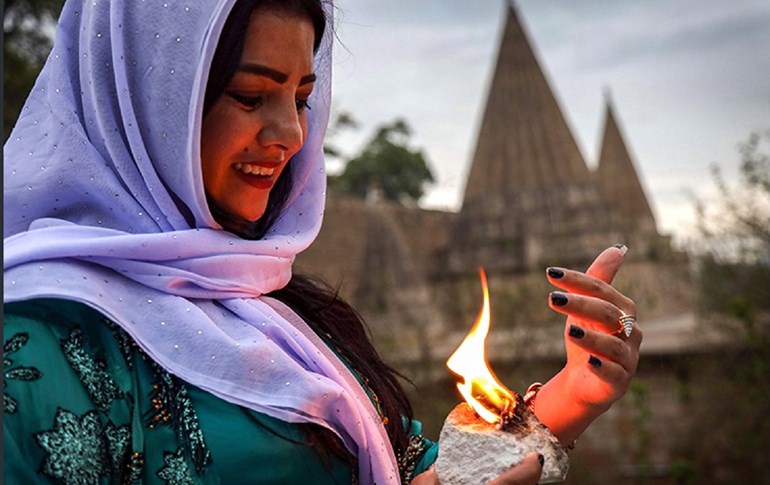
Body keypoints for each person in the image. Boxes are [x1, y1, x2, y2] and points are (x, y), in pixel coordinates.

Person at [3, 0, 642, 483]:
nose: (290, 134)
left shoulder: (285, 314)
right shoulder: (39, 341)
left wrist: (570, 398)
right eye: (250, 96)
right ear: (149, 102)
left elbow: (410, 470)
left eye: (302, 98)